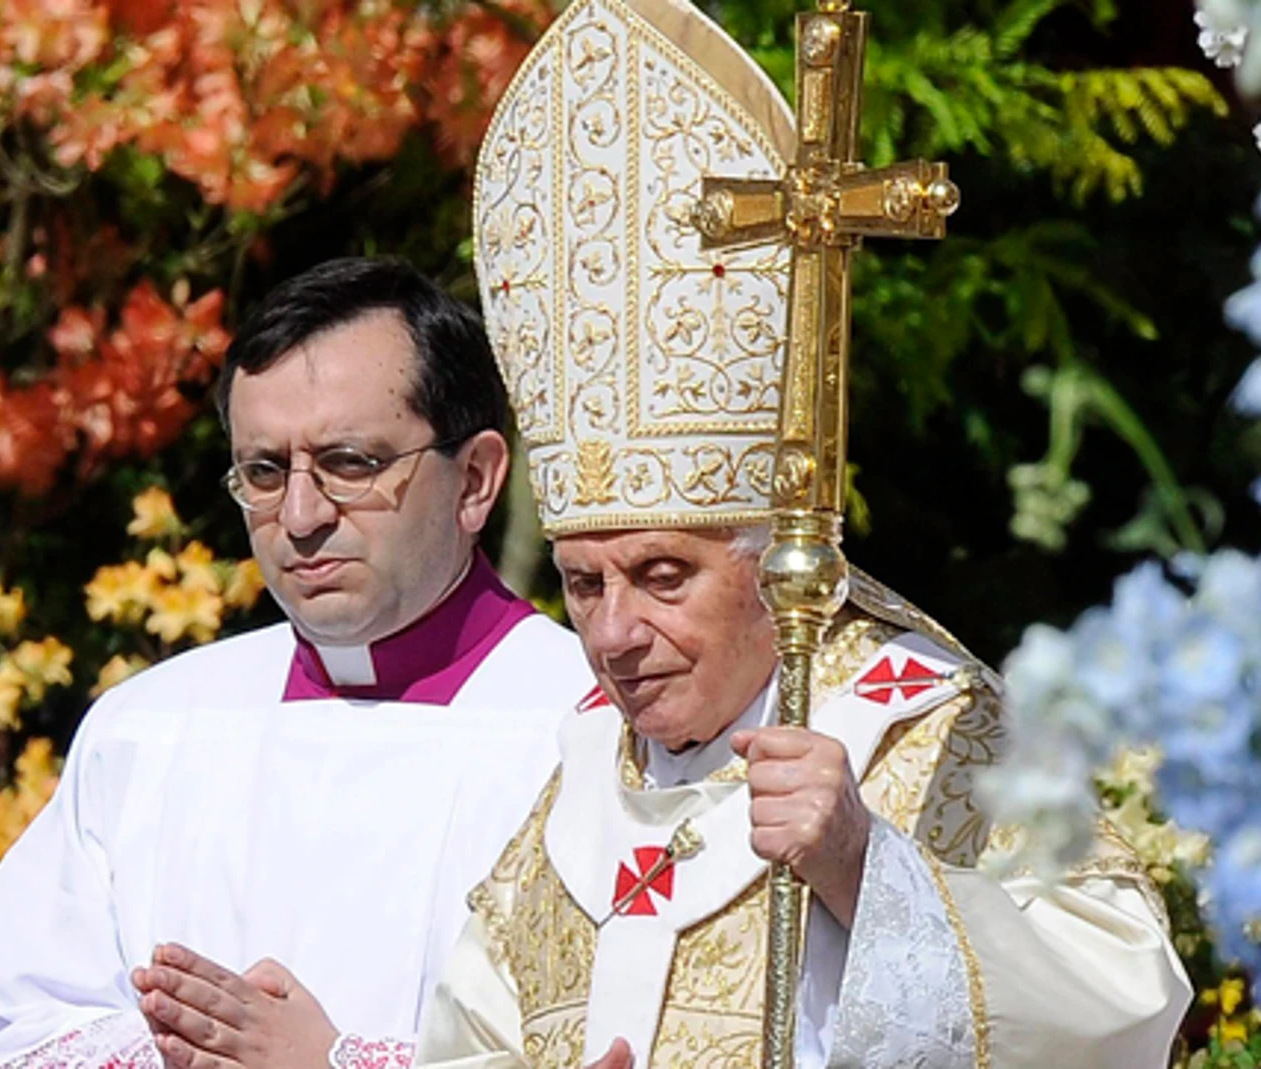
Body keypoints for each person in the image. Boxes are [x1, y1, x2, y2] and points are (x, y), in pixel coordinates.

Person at [411, 0, 1193, 1063]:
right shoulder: (587, 775)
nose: (615, 634)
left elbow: (1127, 999)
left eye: (663, 574)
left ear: (773, 563)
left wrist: (865, 867)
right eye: (585, 584)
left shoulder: (933, 735)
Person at [0, 258, 594, 1069]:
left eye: (350, 463)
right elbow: (1, 1030)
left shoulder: (597, 734)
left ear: (477, 480)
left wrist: (331, 1063)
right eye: (265, 472)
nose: (302, 515)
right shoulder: (150, 731)